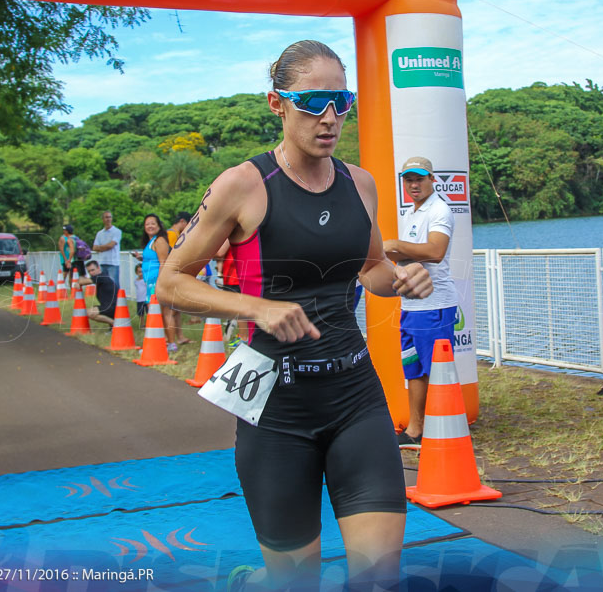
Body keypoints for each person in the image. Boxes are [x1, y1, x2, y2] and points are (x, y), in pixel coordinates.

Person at [157, 40, 432, 591]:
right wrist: (254, 306)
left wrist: (402, 281)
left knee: (379, 580)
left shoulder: (361, 183)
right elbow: (171, 282)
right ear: (277, 104)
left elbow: (373, 269)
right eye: (311, 101)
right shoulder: (244, 185)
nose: (329, 118)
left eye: (341, 101)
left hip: (356, 395)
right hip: (276, 409)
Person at [383, 156, 459, 449]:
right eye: (409, 180)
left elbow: (436, 251)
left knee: (438, 373)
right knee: (413, 369)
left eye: (420, 179)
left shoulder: (439, 209)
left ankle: (447, 433)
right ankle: (416, 430)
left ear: (432, 179)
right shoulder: (411, 212)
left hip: (434, 306)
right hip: (411, 306)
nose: (414, 185)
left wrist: (393, 246)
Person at [132, 214, 179, 352]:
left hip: (158, 283)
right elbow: (152, 259)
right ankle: (163, 341)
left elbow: (163, 262)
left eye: (153, 223)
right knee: (158, 313)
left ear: (159, 225)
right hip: (151, 283)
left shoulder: (159, 240)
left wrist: (161, 283)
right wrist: (141, 257)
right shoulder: (151, 241)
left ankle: (170, 344)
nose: (150, 226)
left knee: (164, 313)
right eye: (147, 224)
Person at [166, 212, 193, 344]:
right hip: (172, 274)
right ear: (182, 221)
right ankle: (172, 338)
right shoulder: (171, 234)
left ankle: (180, 337)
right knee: (171, 310)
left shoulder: (174, 234)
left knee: (176, 310)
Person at [77, 260, 117, 326]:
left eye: (93, 270)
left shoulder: (100, 277)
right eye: (89, 271)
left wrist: (78, 283)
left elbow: (83, 281)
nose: (91, 273)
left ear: (98, 268)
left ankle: (115, 324)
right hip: (109, 306)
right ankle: (113, 325)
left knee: (89, 313)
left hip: (111, 307)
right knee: (90, 311)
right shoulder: (102, 276)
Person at [92, 211, 122, 285]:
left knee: (114, 284)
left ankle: (115, 297)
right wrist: (106, 247)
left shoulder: (117, 231)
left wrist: (101, 248)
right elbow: (94, 247)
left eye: (109, 217)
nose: (108, 219)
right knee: (104, 285)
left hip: (113, 263)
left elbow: (111, 245)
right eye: (106, 217)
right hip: (102, 262)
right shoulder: (99, 233)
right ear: (103, 219)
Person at [133, 264, 148, 330]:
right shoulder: (136, 281)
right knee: (140, 313)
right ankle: (142, 324)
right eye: (139, 272)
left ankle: (148, 324)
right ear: (136, 273)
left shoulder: (146, 280)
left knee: (148, 312)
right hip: (139, 300)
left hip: (146, 299)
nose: (141, 274)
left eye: (142, 272)